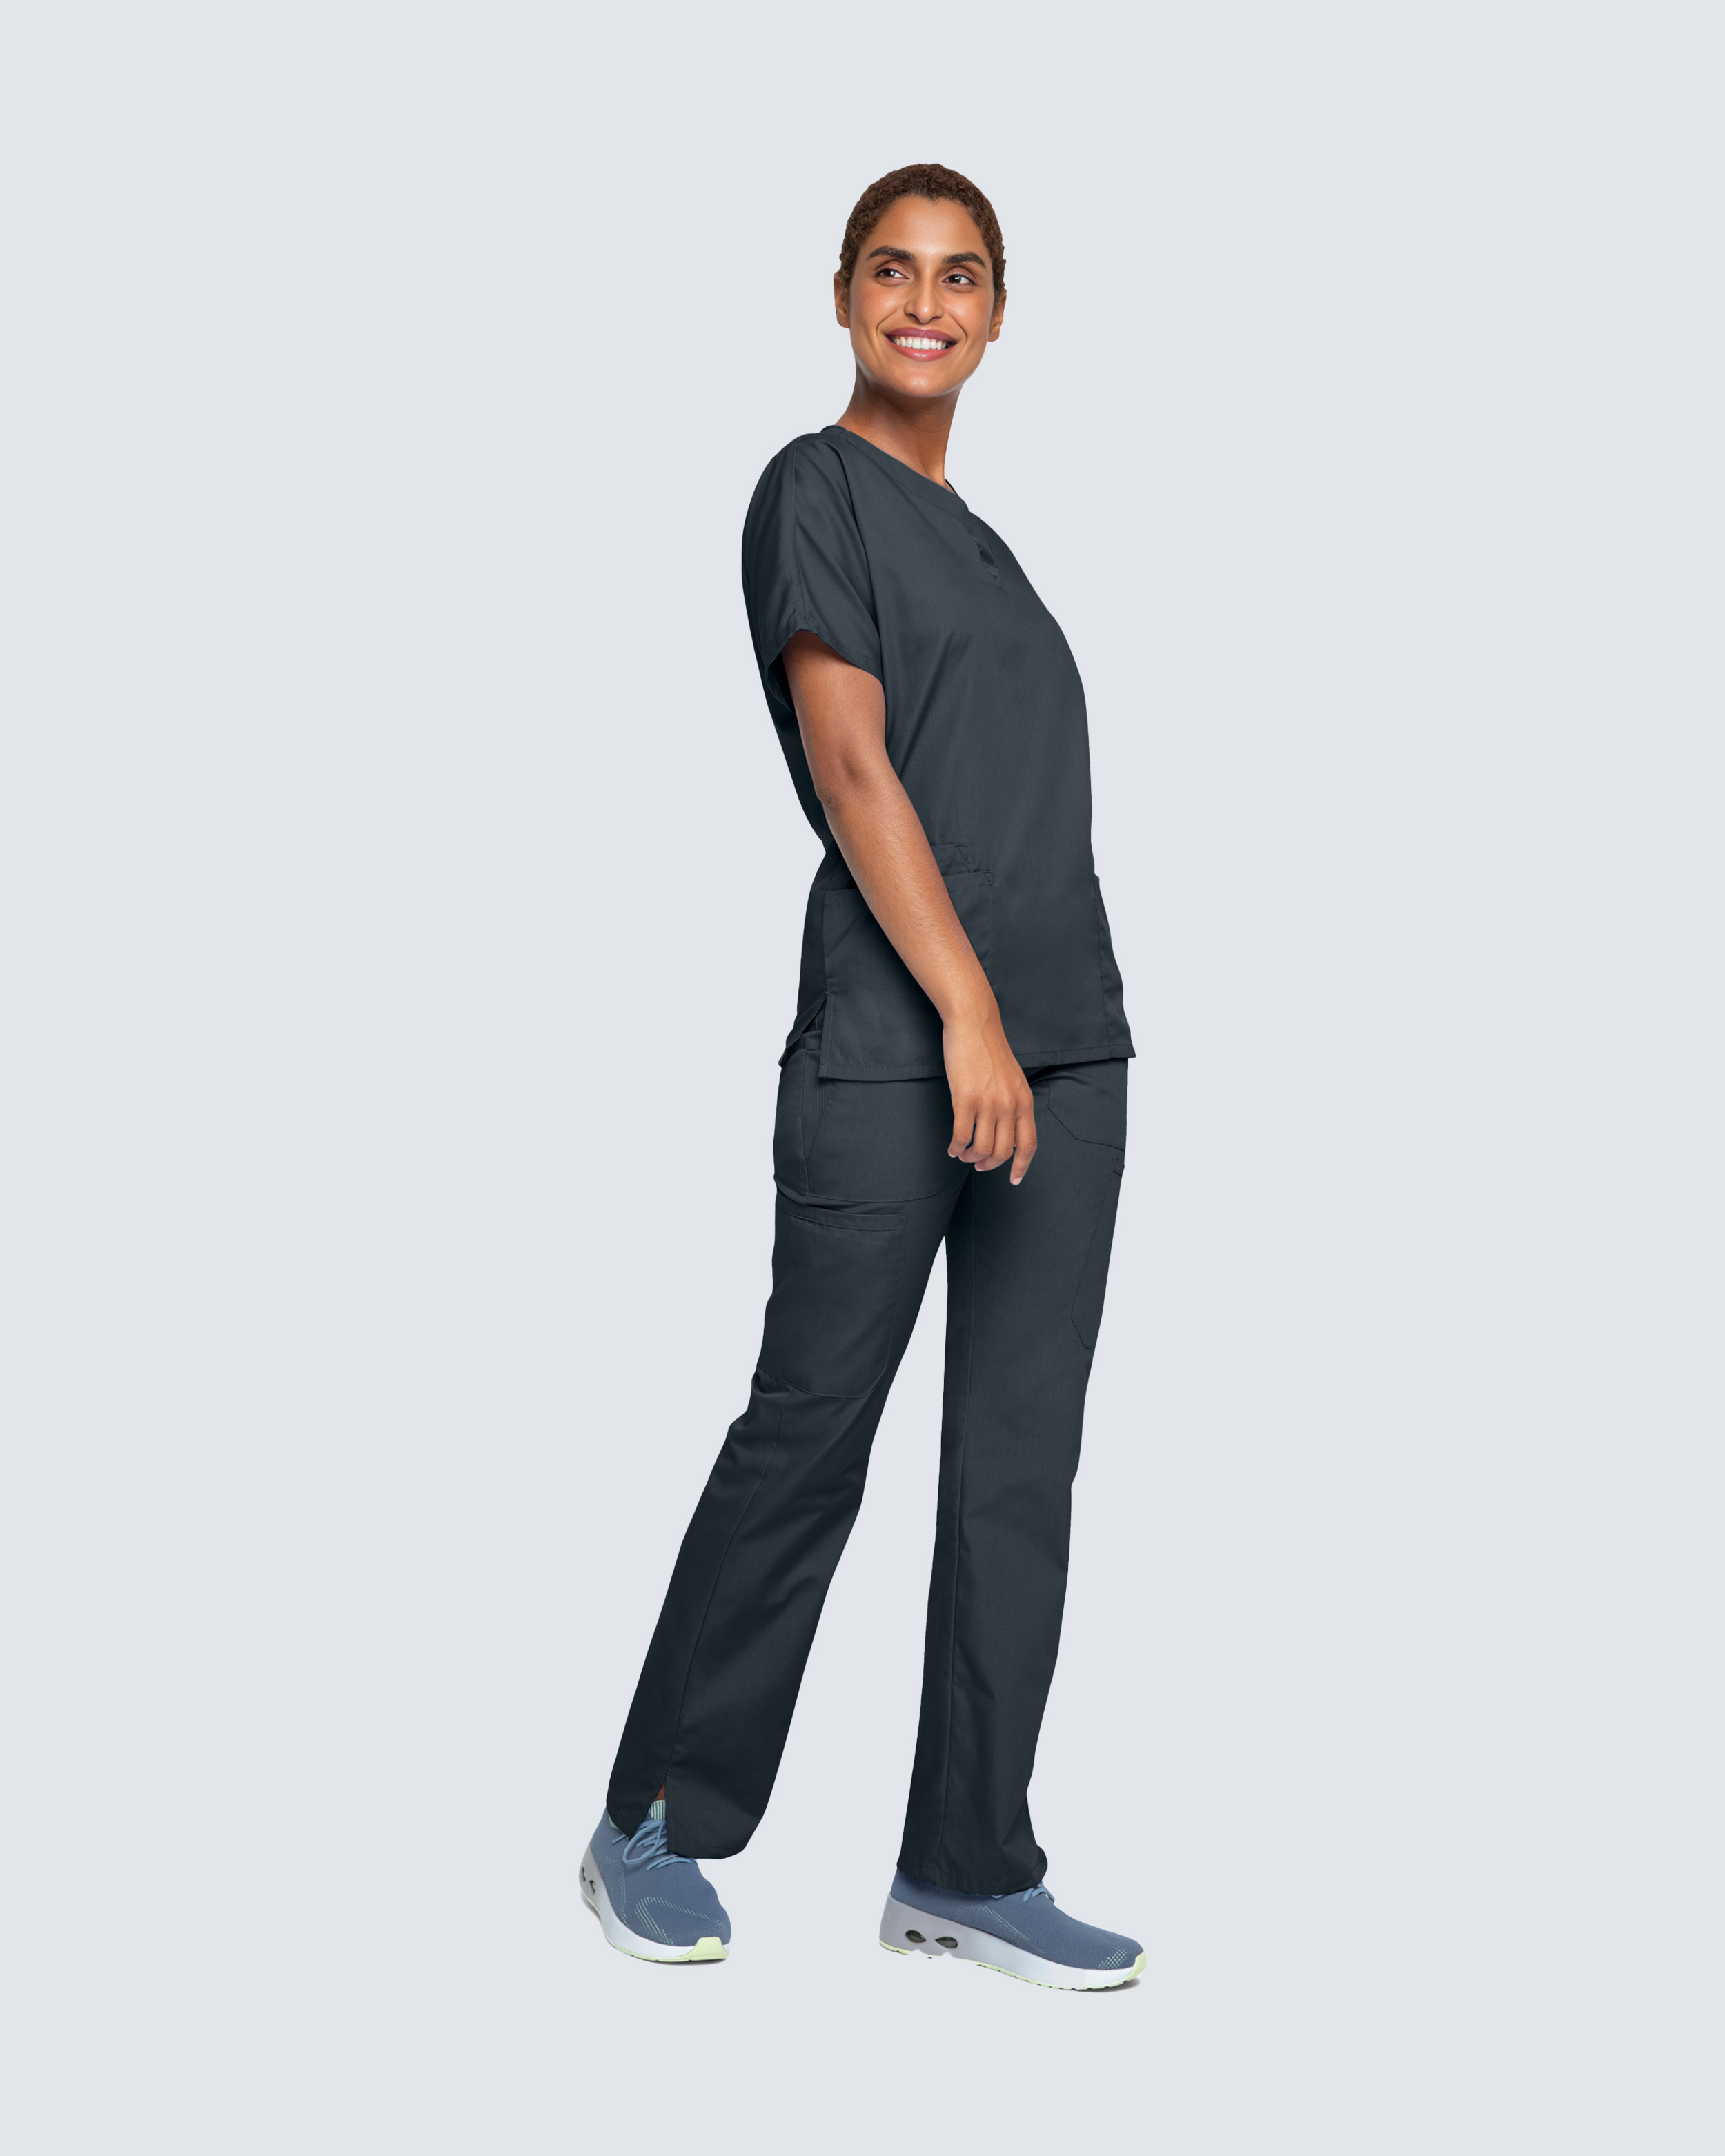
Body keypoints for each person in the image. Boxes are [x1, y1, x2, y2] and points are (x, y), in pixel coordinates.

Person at [580, 164, 1142, 1990]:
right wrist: (966, 1013)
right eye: (892, 270)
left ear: (998, 314)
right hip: (906, 1050)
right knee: (810, 1435)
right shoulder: (813, 490)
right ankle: (649, 1820)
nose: (924, 302)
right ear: (842, 297)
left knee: (1015, 1475)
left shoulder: (984, 541)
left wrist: (1034, 1028)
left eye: (959, 276)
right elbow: (851, 768)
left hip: (1069, 1054)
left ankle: (967, 1864)